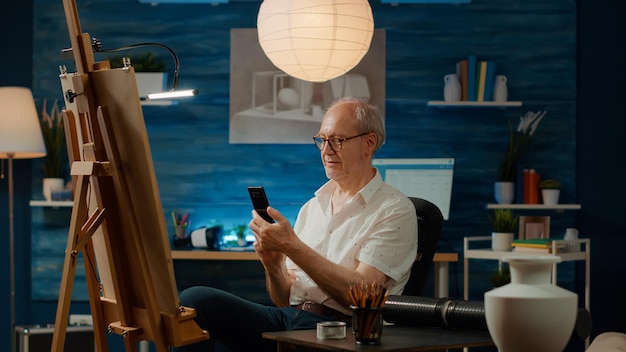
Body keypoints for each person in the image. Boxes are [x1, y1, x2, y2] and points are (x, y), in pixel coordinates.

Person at [176, 97, 418, 352]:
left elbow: (363, 296)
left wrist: (293, 247)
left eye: (337, 140)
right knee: (195, 302)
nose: (326, 150)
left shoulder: (394, 210)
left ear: (369, 143)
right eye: (322, 140)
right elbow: (283, 300)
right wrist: (274, 265)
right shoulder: (312, 208)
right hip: (293, 320)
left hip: (343, 332)